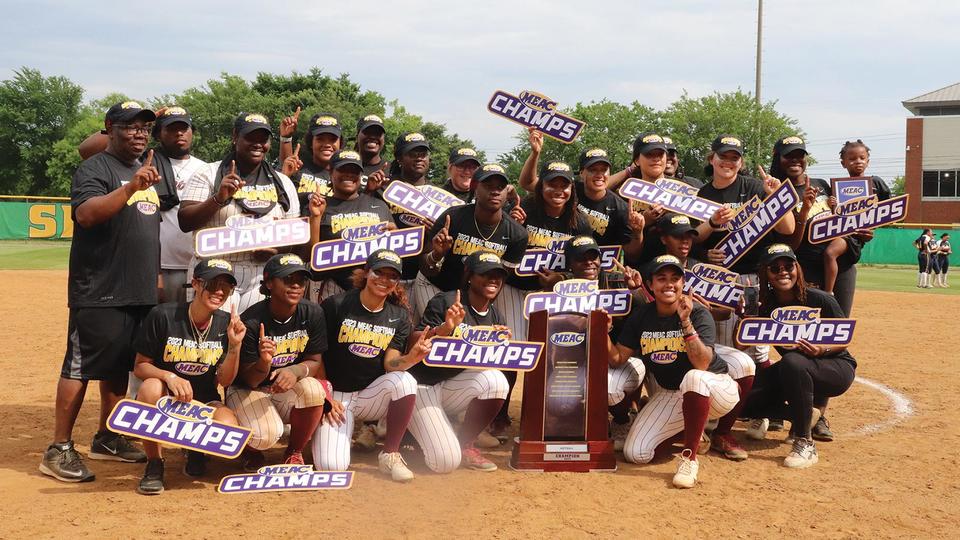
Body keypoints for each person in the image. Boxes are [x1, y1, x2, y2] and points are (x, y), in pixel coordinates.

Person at [41, 101, 159, 483]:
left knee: (118, 368)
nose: (139, 132)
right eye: (130, 126)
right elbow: (87, 215)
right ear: (109, 128)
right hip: (99, 288)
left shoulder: (146, 169)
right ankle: (58, 448)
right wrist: (131, 187)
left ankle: (108, 436)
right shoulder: (95, 168)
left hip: (138, 290)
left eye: (144, 127)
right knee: (80, 367)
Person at [612, 255, 739, 488]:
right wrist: (601, 329)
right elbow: (618, 357)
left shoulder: (697, 312)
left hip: (716, 387)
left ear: (683, 283)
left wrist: (685, 322)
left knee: (693, 377)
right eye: (661, 278)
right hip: (674, 394)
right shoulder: (642, 315)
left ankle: (689, 458)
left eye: (675, 278)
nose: (669, 284)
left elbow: (702, 364)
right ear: (650, 285)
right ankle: (691, 430)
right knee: (636, 454)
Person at [313, 249, 432, 482]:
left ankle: (390, 453)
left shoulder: (398, 316)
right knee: (332, 467)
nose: (384, 280)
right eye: (379, 272)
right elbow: (317, 354)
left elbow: (390, 363)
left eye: (392, 276)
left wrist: (411, 359)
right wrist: (325, 396)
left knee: (406, 380)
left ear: (397, 282)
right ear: (367, 272)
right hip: (337, 396)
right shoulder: (336, 305)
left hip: (370, 395)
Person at [131, 259, 245, 495]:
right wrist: (168, 377)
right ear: (195, 283)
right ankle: (154, 464)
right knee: (151, 387)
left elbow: (225, 381)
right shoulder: (163, 315)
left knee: (227, 427)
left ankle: (195, 449)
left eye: (226, 286)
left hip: (202, 403)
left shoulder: (226, 324)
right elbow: (141, 366)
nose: (219, 291)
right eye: (213, 284)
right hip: (167, 399)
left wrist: (235, 347)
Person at [741, 244, 857, 468]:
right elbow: (741, 342)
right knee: (741, 400)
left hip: (834, 367)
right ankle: (801, 414)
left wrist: (821, 349)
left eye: (788, 266)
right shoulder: (765, 306)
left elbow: (844, 338)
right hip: (794, 371)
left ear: (797, 268)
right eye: (775, 268)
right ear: (766, 274)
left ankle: (805, 442)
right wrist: (747, 318)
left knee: (792, 360)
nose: (782, 271)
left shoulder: (819, 298)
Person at [75, 106, 205, 304]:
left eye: (184, 127)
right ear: (158, 134)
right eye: (171, 128)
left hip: (192, 263)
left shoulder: (206, 169)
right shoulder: (142, 161)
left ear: (192, 132)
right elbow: (86, 150)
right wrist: (134, 119)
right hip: (155, 267)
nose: (179, 132)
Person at [655, 214, 756, 460]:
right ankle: (682, 428)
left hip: (699, 342)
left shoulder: (704, 268)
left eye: (689, 236)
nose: (685, 242)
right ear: (664, 240)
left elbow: (722, 314)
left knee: (744, 364)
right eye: (678, 237)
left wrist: (709, 310)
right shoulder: (655, 268)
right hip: (663, 344)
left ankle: (723, 432)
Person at [178, 112, 300, 313]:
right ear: (235, 137)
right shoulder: (208, 173)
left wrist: (276, 250)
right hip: (215, 270)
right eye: (251, 137)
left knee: (252, 337)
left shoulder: (283, 182)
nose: (258, 144)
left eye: (264, 139)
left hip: (261, 273)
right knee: (215, 338)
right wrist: (218, 198)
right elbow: (185, 221)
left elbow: (296, 235)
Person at [693, 135, 796, 368]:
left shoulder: (754, 187)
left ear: (741, 162)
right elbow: (693, 238)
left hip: (752, 280)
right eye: (723, 156)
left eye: (734, 158)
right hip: (717, 281)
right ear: (712, 159)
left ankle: (756, 399)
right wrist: (705, 252)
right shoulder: (702, 195)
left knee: (753, 343)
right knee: (720, 343)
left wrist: (775, 196)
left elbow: (788, 228)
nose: (728, 162)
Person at [407, 251, 512, 472]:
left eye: (498, 275)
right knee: (445, 462)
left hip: (452, 388)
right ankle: (412, 430)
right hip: (423, 386)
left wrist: (500, 345)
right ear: (470, 277)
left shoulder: (496, 317)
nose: (494, 279)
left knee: (497, 381)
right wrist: (443, 330)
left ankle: (466, 444)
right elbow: (413, 341)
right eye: (486, 274)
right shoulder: (446, 301)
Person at [228, 254, 331, 469]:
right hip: (248, 390)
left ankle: (294, 451)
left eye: (301, 280)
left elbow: (314, 361)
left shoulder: (313, 313)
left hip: (282, 390)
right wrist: (265, 362)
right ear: (268, 283)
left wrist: (294, 370)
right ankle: (251, 450)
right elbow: (248, 380)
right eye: (287, 279)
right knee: (264, 437)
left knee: (313, 389)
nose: (295, 285)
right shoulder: (252, 321)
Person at [516, 131, 644, 259]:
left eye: (604, 170)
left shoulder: (620, 208)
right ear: (582, 173)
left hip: (593, 264)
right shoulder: (570, 188)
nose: (599, 174)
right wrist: (535, 153)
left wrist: (638, 233)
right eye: (593, 170)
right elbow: (528, 183)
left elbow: (632, 254)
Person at [305, 149, 395, 301]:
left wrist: (395, 234)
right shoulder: (321, 205)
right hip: (332, 287)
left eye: (354, 170)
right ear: (331, 172)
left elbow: (395, 249)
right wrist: (315, 217)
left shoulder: (378, 205)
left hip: (374, 287)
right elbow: (310, 257)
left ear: (361, 175)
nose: (348, 174)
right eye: (342, 169)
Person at [280, 112, 344, 216]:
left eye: (332, 140)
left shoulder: (345, 176)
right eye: (320, 139)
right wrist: (286, 139)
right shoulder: (297, 168)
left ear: (340, 143)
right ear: (311, 142)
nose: (327, 144)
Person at [355, 114, 390, 192]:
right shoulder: (346, 167)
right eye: (368, 132)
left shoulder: (392, 170)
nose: (373, 137)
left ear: (384, 139)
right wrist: (367, 190)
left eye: (378, 133)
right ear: (357, 136)